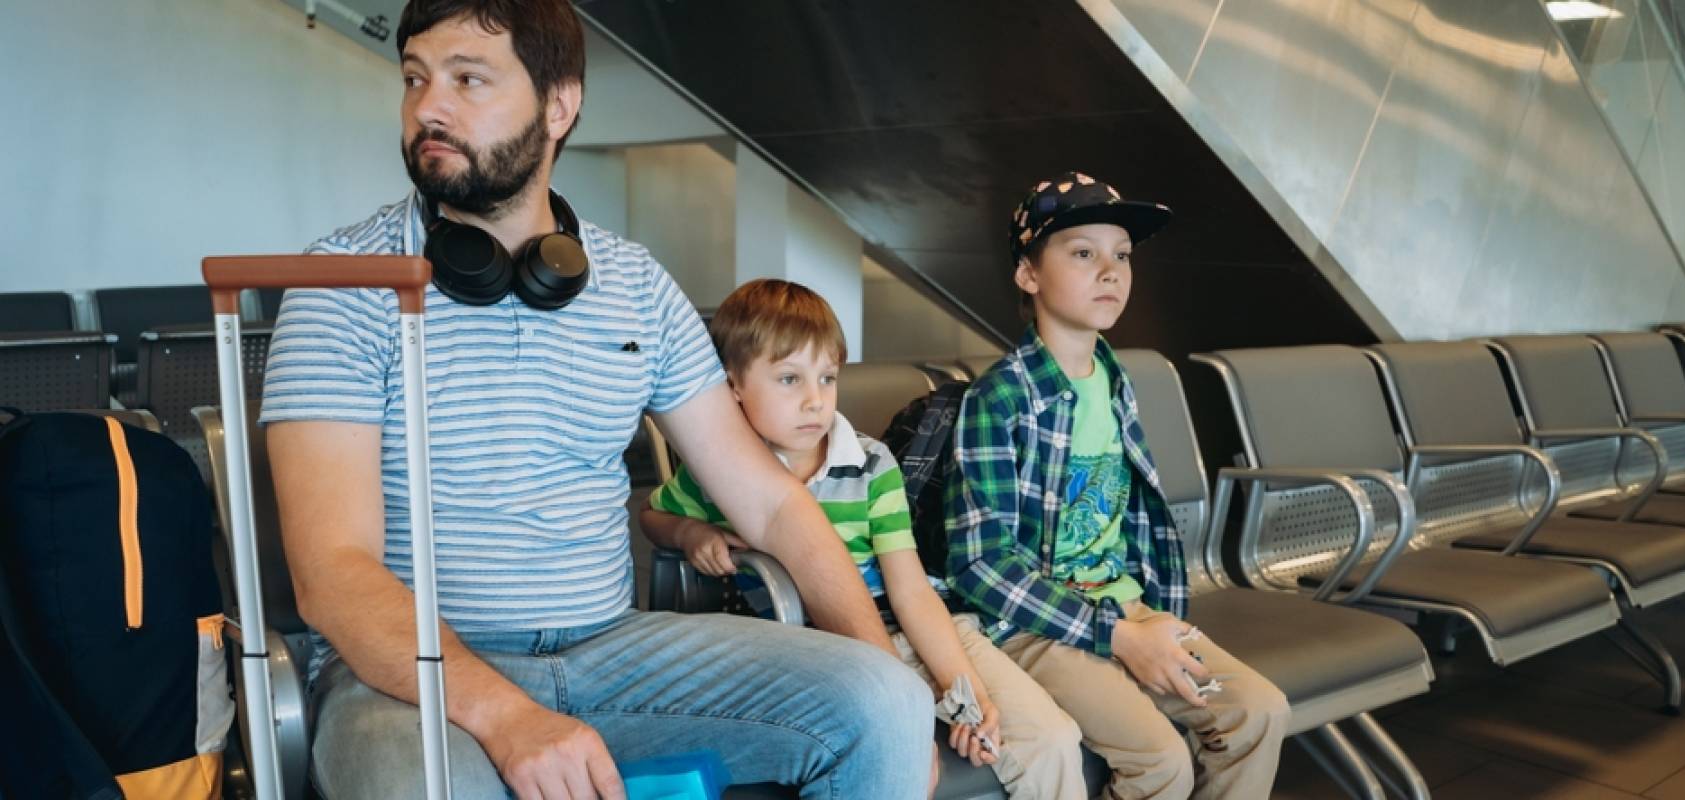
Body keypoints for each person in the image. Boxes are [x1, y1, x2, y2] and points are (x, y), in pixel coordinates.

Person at [259, 2, 932, 797]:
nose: (427, 108)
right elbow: (333, 572)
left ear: (559, 105)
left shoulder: (637, 285)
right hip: (414, 676)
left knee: (885, 702)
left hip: (615, 650)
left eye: (467, 79)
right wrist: (509, 719)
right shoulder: (341, 283)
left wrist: (896, 689)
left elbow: (774, 506)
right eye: (414, 79)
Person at [641, 279, 1089, 799]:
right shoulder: (718, 470)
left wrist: (963, 691)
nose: (815, 401)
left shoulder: (873, 464)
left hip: (916, 627)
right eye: (789, 379)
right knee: (894, 761)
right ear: (732, 384)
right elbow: (652, 517)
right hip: (820, 653)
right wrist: (690, 530)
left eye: (827, 378)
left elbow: (912, 593)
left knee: (1055, 739)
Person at [944, 172, 1291, 799]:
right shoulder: (1000, 399)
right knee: (1160, 762)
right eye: (1083, 253)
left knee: (1259, 713)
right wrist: (1118, 637)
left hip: (1126, 608)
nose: (1111, 271)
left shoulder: (1113, 379)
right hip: (1036, 629)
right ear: (1028, 274)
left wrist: (1144, 624)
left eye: (1122, 255)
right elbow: (980, 565)